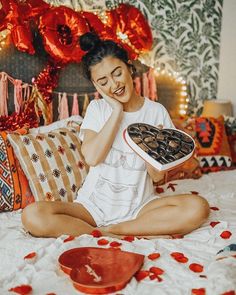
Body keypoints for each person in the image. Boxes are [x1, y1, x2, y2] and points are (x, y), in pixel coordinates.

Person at [22, 32, 210, 239]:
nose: (114, 85)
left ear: (129, 67)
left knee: (198, 207)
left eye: (117, 73)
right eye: (103, 81)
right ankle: (116, 231)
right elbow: (93, 157)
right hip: (92, 209)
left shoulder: (156, 111)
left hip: (140, 207)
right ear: (97, 86)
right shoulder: (98, 109)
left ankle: (111, 232)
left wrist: (150, 147)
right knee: (33, 215)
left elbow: (157, 178)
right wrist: (116, 111)